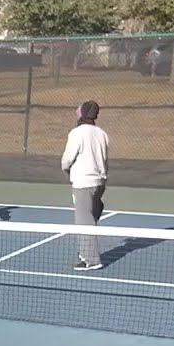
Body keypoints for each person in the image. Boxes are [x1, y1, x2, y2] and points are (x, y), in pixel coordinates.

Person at [61, 100, 109, 271]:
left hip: (83, 183)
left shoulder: (77, 133)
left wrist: (66, 169)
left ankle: (91, 259)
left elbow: (67, 159)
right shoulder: (102, 133)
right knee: (91, 215)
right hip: (99, 183)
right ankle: (86, 251)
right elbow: (104, 159)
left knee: (84, 220)